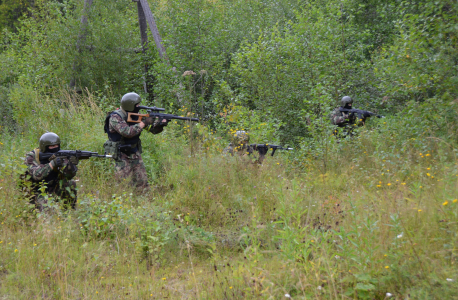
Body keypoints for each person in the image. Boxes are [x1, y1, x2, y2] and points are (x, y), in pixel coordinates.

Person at [103, 92, 168, 193]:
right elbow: (127, 132)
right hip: (121, 153)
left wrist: (161, 124)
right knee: (124, 184)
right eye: (136, 105)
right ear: (129, 105)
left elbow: (153, 131)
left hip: (134, 152)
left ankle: (144, 203)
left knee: (142, 183)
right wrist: (144, 122)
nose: (138, 107)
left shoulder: (135, 116)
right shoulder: (115, 117)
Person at [21, 132, 78, 211]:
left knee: (71, 183)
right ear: (44, 147)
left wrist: (71, 164)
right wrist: (52, 164)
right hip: (36, 191)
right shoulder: (32, 156)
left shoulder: (60, 155)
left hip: (53, 188)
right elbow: (36, 175)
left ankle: (69, 210)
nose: (55, 147)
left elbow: (68, 176)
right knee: (47, 212)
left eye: (56, 145)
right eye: (52, 146)